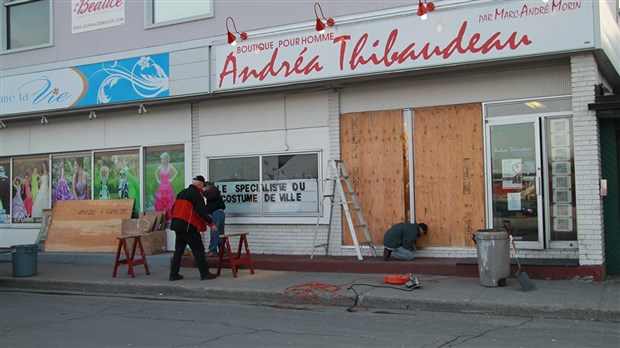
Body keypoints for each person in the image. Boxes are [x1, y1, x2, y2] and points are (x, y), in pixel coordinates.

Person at [169, 175, 218, 281]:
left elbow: (173, 210)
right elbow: (201, 212)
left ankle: (173, 274)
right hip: (189, 226)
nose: (203, 189)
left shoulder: (182, 192)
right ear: (200, 184)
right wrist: (211, 224)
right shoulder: (196, 194)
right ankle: (205, 273)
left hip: (177, 225)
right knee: (198, 250)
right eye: (203, 186)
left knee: (178, 251)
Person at [204, 182, 226, 257]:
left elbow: (207, 196)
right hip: (220, 213)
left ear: (207, 186)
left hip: (216, 213)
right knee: (220, 233)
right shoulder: (215, 192)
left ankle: (213, 250)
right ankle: (223, 251)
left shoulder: (211, 190)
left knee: (214, 232)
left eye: (204, 187)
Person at [154, 152, 178, 222]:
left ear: (166, 159)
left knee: (168, 201)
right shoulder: (160, 167)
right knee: (161, 201)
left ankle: (168, 216)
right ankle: (161, 217)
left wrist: (171, 179)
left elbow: (176, 172)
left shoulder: (170, 167)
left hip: (167, 186)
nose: (162, 161)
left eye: (163, 159)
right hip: (162, 186)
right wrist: (158, 180)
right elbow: (155, 173)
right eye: (161, 159)